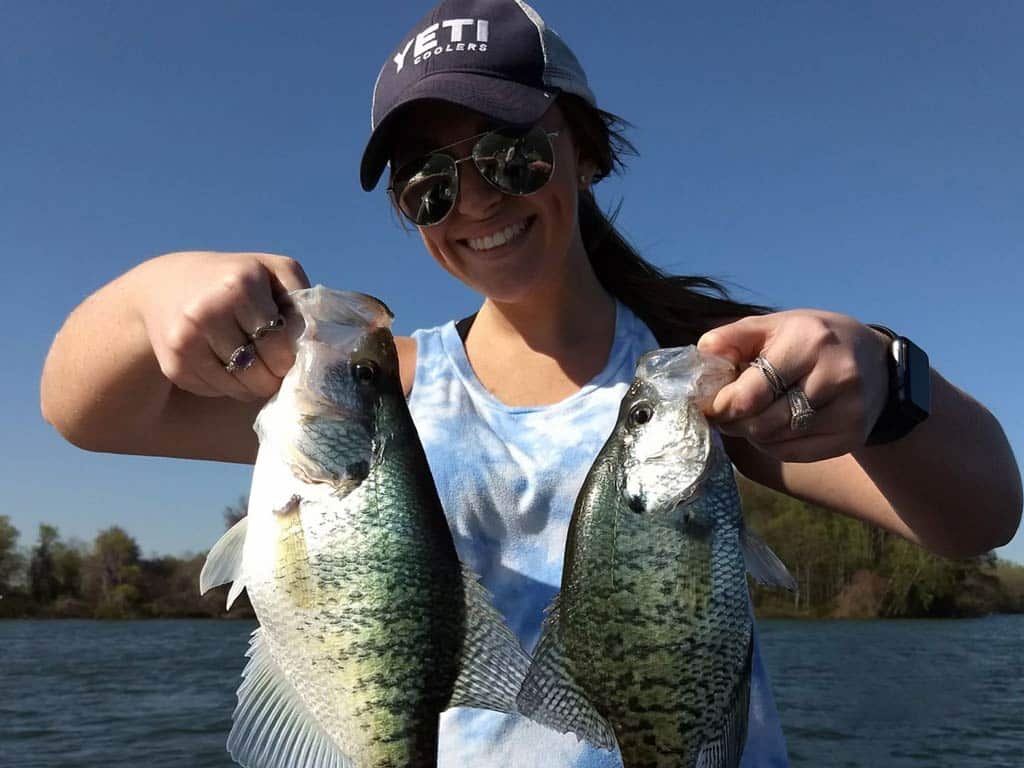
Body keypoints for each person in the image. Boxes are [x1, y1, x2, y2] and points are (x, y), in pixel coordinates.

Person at [40, 0, 1021, 766]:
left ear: (583, 151)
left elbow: (976, 517)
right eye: (428, 183)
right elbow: (82, 411)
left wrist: (891, 387)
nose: (473, 200)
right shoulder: (385, 392)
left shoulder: (700, 388)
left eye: (510, 154)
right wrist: (148, 292)